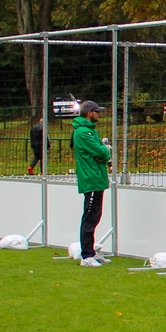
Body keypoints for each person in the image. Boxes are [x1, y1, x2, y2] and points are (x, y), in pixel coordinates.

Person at [71, 101, 112, 266]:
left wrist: (103, 152)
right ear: (89, 113)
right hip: (91, 178)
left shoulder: (90, 131)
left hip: (97, 178)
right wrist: (104, 151)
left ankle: (91, 252)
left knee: (95, 216)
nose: (99, 114)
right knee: (89, 217)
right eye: (97, 112)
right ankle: (86, 256)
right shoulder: (83, 132)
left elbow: (102, 152)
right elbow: (101, 151)